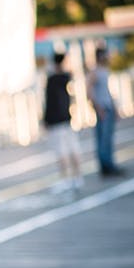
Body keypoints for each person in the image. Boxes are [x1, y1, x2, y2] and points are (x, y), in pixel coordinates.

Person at [43, 52, 84, 193]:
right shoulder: (67, 78)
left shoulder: (52, 79)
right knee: (73, 148)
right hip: (67, 118)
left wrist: (46, 120)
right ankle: (78, 178)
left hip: (56, 121)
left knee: (62, 152)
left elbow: (49, 103)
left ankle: (66, 179)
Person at [86, 47, 124, 177]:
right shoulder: (95, 72)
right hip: (102, 109)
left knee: (107, 139)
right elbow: (89, 92)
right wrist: (98, 108)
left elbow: (108, 92)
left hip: (108, 107)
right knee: (103, 139)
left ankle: (109, 165)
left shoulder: (104, 71)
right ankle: (106, 166)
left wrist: (115, 109)